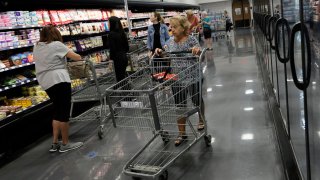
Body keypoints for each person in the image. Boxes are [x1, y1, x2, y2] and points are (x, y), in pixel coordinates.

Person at [155, 16, 205, 146]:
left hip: (193, 76)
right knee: (180, 105)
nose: (171, 29)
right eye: (170, 27)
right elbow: (167, 56)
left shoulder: (191, 40)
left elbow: (202, 56)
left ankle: (201, 119)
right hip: (177, 78)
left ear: (183, 28)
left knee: (197, 100)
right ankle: (181, 133)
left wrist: (197, 52)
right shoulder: (170, 41)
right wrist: (160, 52)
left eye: (174, 26)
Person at [33, 26, 83, 153]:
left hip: (46, 82)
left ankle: (55, 143)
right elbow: (76, 57)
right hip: (59, 79)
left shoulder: (37, 46)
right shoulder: (56, 44)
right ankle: (66, 144)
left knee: (57, 110)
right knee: (64, 112)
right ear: (56, 34)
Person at [108, 16, 129, 82]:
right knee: (122, 75)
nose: (108, 24)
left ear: (112, 23)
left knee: (119, 78)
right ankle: (128, 90)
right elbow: (127, 47)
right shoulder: (122, 32)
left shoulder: (111, 34)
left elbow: (112, 49)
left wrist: (110, 60)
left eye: (108, 23)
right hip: (124, 57)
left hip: (117, 59)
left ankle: (125, 91)